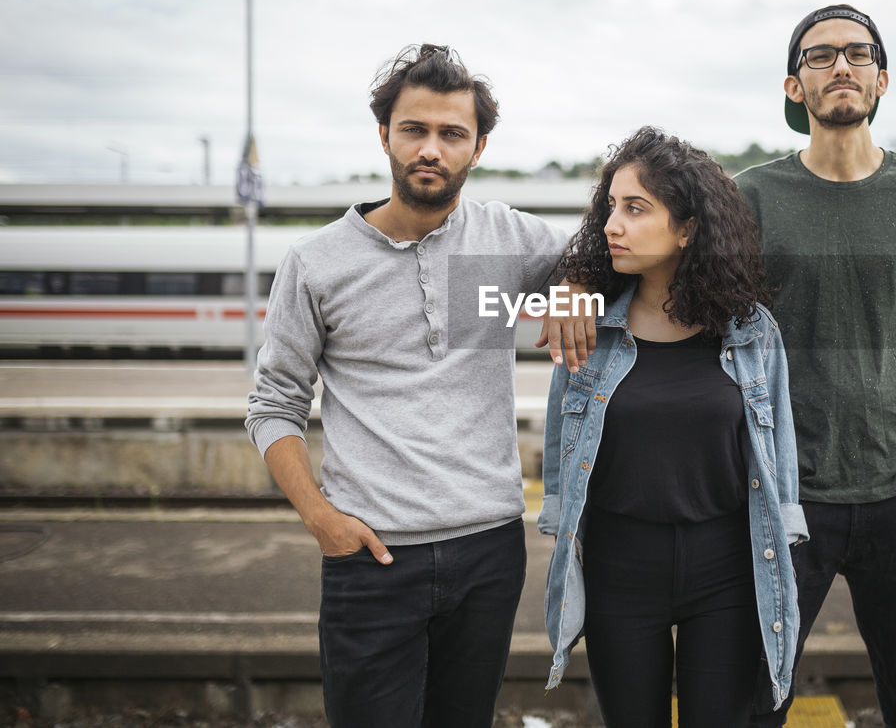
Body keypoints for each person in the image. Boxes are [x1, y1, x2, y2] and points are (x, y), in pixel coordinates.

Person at [245, 44, 570, 728]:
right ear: (384, 135)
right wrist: (319, 518)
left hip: (490, 548)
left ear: (478, 147)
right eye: (414, 129)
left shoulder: (509, 238)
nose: (432, 148)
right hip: (371, 555)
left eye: (452, 133)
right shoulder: (316, 262)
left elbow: (612, 268)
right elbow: (274, 403)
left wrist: (574, 290)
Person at [738, 5, 896, 727]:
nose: (842, 66)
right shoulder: (752, 196)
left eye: (858, 54)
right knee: (758, 698)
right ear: (796, 87)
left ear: (882, 79)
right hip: (790, 497)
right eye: (821, 57)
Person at [538, 127, 808, 728]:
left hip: (728, 568)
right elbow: (560, 436)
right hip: (619, 566)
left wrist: (786, 531)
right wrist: (569, 290)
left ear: (687, 229)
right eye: (611, 206)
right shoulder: (589, 322)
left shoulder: (750, 330)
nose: (614, 224)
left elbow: (779, 444)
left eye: (636, 209)